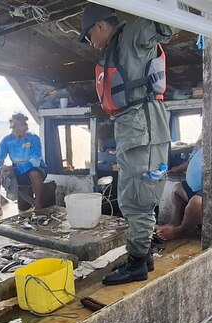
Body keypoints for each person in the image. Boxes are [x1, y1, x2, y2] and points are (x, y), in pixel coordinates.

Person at [79, 4, 177, 285]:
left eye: (88, 37)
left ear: (99, 25)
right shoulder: (116, 48)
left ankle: (136, 265)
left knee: (138, 202)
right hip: (132, 132)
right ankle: (142, 256)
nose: (91, 44)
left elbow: (166, 24)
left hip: (143, 130)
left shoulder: (133, 34)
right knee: (131, 197)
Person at [156, 92, 212, 241]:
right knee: (178, 189)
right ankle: (174, 222)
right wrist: (177, 169)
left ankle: (180, 231)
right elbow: (196, 155)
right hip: (204, 185)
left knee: (197, 203)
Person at [0, 113, 46, 219]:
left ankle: (38, 207)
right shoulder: (6, 141)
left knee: (34, 174)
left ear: (26, 126)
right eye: (17, 126)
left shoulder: (33, 139)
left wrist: (16, 171)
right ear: (12, 127)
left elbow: (35, 160)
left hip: (35, 168)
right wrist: (1, 168)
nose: (20, 128)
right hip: (16, 169)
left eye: (22, 125)